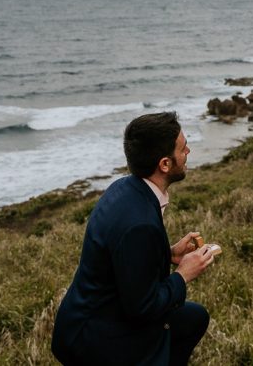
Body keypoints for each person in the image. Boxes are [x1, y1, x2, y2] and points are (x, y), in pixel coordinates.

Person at [51, 112, 215, 366]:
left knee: (194, 317)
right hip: (94, 337)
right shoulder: (140, 224)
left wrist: (169, 254)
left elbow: (125, 258)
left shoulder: (125, 187)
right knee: (178, 325)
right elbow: (143, 309)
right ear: (164, 164)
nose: (188, 151)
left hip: (96, 314)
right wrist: (183, 274)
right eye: (183, 148)